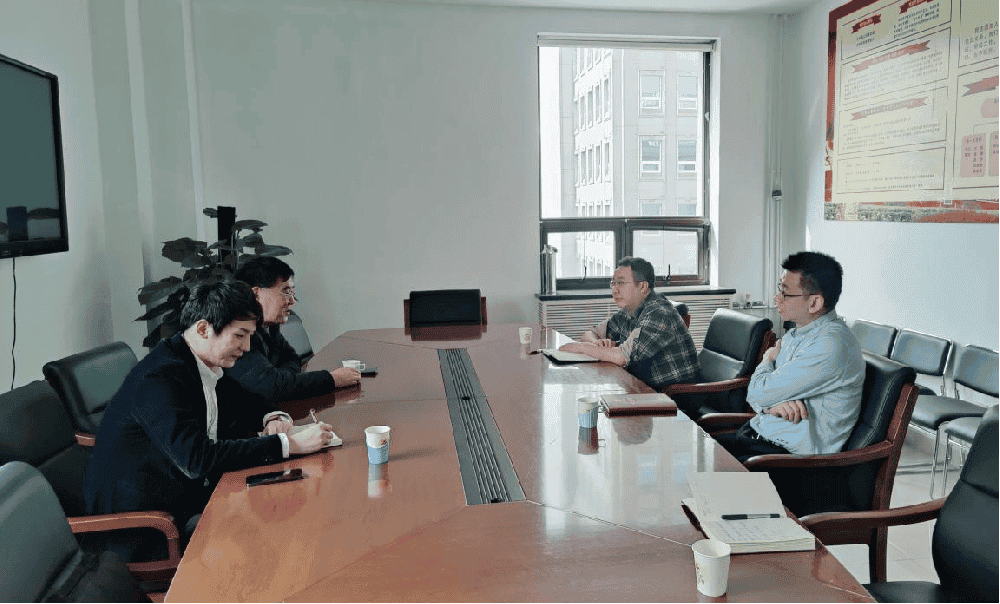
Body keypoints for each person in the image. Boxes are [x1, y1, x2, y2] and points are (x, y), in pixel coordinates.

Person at [83, 280, 336, 557]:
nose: (247, 347)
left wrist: (271, 416)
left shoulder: (198, 361)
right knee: (284, 531)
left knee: (298, 504)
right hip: (150, 528)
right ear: (204, 329)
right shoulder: (160, 377)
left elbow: (247, 399)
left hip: (188, 497)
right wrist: (289, 444)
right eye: (239, 335)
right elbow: (197, 460)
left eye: (250, 336)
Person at [714, 251, 865, 462]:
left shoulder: (831, 345)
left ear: (814, 303)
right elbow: (759, 397)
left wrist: (767, 359)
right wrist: (769, 407)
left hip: (789, 460)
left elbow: (759, 392)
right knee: (693, 451)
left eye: (785, 293)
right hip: (758, 435)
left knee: (700, 465)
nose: (776, 299)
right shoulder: (797, 334)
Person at [227, 256, 360, 403]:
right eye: (286, 292)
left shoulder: (270, 326)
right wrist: (332, 379)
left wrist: (282, 380)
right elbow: (271, 387)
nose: (292, 301)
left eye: (292, 293)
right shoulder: (237, 333)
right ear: (256, 294)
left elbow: (292, 359)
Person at [559, 256, 699, 391]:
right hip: (643, 390)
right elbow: (591, 333)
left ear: (643, 286)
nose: (614, 290)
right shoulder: (629, 311)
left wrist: (582, 348)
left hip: (675, 396)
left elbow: (622, 357)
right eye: (613, 283)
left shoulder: (659, 313)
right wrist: (596, 342)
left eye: (621, 283)